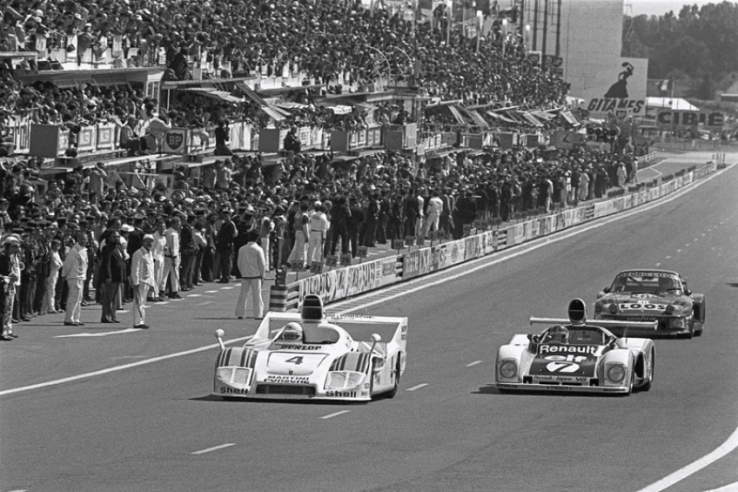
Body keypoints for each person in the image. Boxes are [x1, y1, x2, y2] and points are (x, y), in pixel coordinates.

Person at [235, 230, 265, 320]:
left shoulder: (242, 249)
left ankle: (240, 313)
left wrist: (242, 272)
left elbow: (239, 262)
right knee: (257, 295)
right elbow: (262, 264)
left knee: (243, 294)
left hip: (245, 275)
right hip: (256, 275)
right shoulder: (258, 249)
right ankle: (258, 314)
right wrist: (262, 275)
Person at [61, 232, 89, 326]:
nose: (84, 241)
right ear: (78, 239)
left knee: (79, 299)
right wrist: (64, 274)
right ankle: (69, 318)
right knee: (73, 298)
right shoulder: (74, 250)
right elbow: (67, 264)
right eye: (82, 239)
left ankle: (76, 318)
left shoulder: (84, 250)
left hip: (81, 276)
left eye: (85, 239)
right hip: (74, 276)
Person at [98, 231, 126, 323]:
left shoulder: (119, 247)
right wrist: (108, 276)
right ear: (109, 238)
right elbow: (107, 263)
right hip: (111, 276)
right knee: (108, 297)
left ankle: (113, 316)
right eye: (114, 236)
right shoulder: (107, 248)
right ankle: (106, 316)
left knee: (114, 298)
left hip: (118, 275)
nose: (116, 238)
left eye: (118, 236)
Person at [131, 234, 156, 329]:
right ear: (143, 242)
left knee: (143, 302)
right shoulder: (138, 253)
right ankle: (138, 322)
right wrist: (135, 282)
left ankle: (142, 320)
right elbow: (135, 268)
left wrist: (152, 283)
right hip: (140, 281)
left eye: (151, 241)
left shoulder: (150, 253)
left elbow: (151, 269)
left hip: (147, 281)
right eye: (147, 241)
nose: (149, 243)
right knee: (138, 302)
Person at [0, 235, 21, 340]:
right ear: (7, 246)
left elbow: (10, 269)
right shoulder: (2, 256)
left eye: (16, 247)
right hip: (3, 284)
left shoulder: (11, 256)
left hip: (10, 284)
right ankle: (2, 332)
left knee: (9, 308)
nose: (15, 249)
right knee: (3, 309)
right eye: (12, 246)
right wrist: (7, 277)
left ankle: (8, 329)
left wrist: (13, 274)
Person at [41, 239, 63, 314]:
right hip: (52, 272)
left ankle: (46, 307)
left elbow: (60, 262)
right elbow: (55, 264)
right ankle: (51, 307)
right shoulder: (52, 253)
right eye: (56, 245)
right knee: (51, 290)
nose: (58, 247)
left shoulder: (57, 253)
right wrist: (60, 265)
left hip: (56, 272)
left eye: (59, 245)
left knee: (51, 290)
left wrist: (61, 264)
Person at [162, 216, 182, 298]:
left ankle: (161, 290)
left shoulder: (167, 231)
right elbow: (173, 246)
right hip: (172, 256)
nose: (179, 225)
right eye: (178, 223)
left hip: (166, 255)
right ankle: (174, 290)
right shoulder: (173, 234)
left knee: (164, 274)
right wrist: (174, 257)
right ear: (173, 223)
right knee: (174, 274)